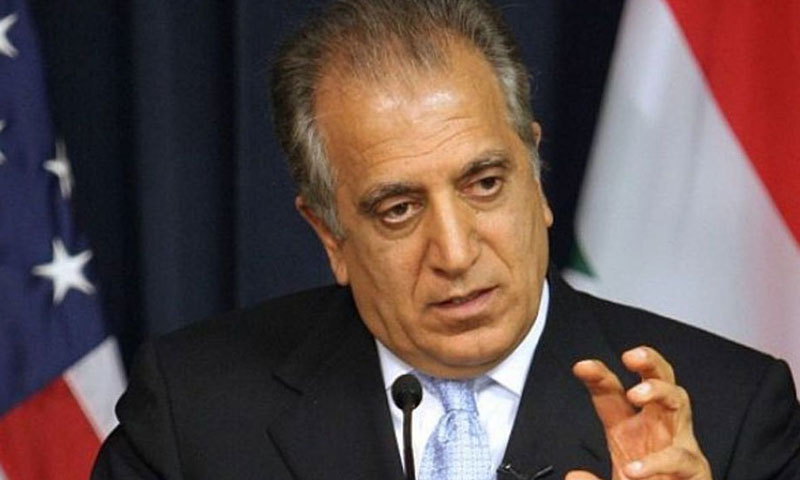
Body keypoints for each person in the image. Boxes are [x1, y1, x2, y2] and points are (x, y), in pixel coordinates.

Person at [92, 1, 800, 479]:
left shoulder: (733, 413)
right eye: (398, 209)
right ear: (329, 234)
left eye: (485, 183)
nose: (456, 254)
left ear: (535, 177)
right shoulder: (195, 413)